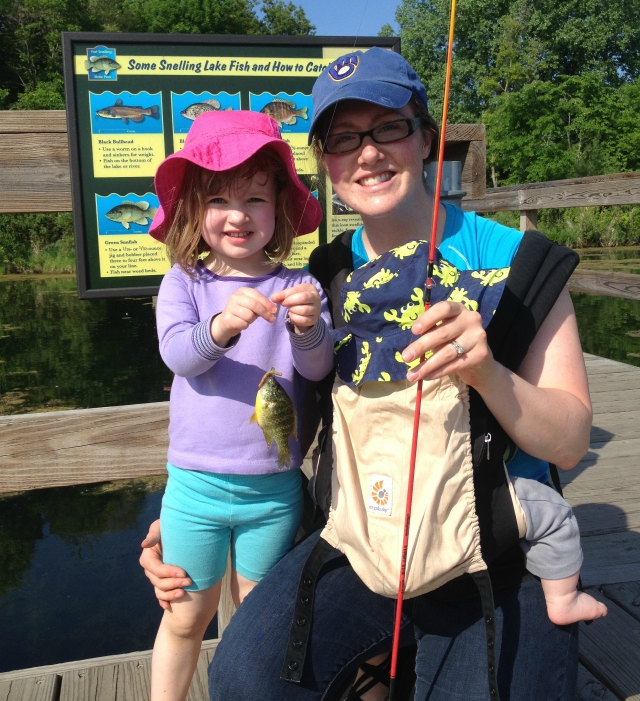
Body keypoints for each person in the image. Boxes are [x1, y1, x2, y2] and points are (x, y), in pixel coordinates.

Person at [141, 49, 594, 700]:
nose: (369, 152)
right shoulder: (320, 277)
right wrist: (184, 515)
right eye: (344, 136)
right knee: (243, 675)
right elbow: (267, 412)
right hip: (363, 546)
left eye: (390, 127)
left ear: (424, 135)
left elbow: (573, 440)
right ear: (325, 159)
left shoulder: (516, 263)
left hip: (495, 557)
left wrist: (490, 372)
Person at [146, 109, 334, 701]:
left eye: (254, 198)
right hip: (194, 489)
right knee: (184, 613)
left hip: (274, 490)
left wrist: (307, 329)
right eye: (219, 199)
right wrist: (222, 325)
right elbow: (179, 355)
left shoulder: (300, 285)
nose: (237, 215)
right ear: (194, 210)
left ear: (278, 207)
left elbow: (317, 369)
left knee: (257, 622)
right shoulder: (183, 282)